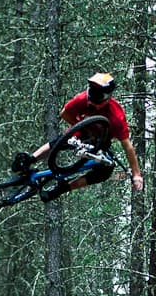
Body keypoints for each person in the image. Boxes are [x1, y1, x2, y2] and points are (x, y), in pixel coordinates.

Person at [12, 72, 144, 201]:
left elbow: (128, 147)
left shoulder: (116, 116)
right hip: (81, 132)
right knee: (61, 141)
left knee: (105, 171)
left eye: (98, 94)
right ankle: (29, 159)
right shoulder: (82, 99)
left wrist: (137, 175)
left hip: (101, 142)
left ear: (108, 96)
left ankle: (62, 189)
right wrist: (81, 126)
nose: (93, 97)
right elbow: (65, 113)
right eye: (92, 91)